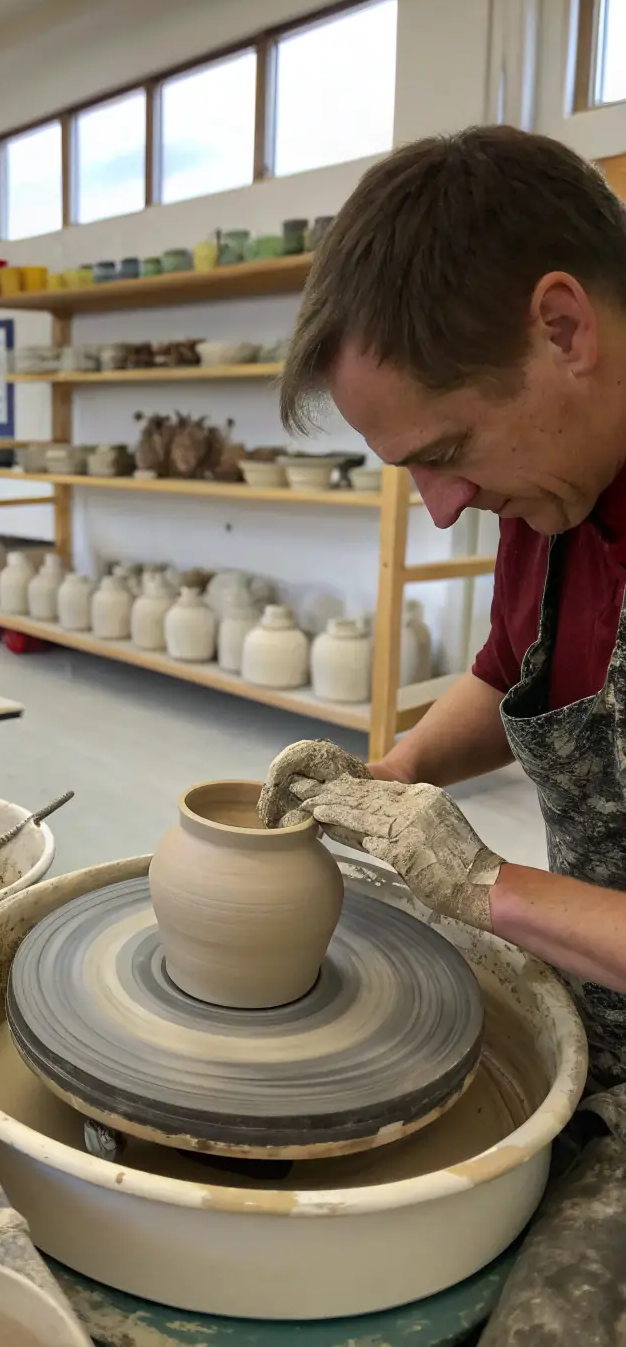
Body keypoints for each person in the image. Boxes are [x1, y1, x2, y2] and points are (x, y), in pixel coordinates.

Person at [260, 125, 626, 1091]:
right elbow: (514, 676)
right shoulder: (557, 487)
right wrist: (395, 777)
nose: (442, 505)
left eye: (447, 449)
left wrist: (484, 887)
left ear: (563, 328)